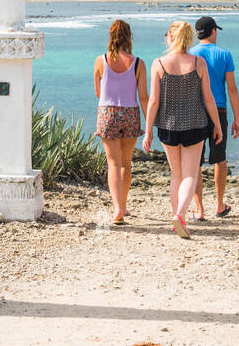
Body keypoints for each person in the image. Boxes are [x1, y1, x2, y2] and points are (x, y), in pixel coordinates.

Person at [143, 21, 222, 239]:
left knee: (176, 174)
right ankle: (180, 216)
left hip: (167, 126)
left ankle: (179, 218)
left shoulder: (158, 63)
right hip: (195, 125)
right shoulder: (199, 63)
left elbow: (153, 101)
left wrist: (148, 130)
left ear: (171, 38)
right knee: (190, 174)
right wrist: (216, 124)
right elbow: (208, 98)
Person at [94, 20, 147, 224]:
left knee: (113, 164)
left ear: (110, 36)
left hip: (107, 112)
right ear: (129, 37)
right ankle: (123, 206)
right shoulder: (138, 63)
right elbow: (143, 96)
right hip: (131, 113)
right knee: (126, 163)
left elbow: (99, 92)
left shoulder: (101, 61)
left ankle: (116, 208)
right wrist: (150, 122)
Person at [189, 15, 239, 219]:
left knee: (195, 161)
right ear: (213, 31)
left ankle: (199, 209)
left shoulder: (190, 54)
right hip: (218, 111)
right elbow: (232, 88)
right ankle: (219, 205)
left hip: (196, 111)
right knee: (220, 159)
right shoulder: (225, 54)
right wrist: (237, 118)